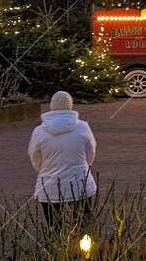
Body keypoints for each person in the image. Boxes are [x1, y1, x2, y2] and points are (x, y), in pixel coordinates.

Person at [28, 91, 97, 228]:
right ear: (70, 106)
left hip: (49, 185)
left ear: (52, 106)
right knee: (85, 225)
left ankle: (57, 248)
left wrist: (47, 168)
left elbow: (34, 157)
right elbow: (91, 153)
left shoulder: (39, 131)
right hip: (80, 183)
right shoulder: (83, 127)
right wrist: (82, 166)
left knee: (54, 228)